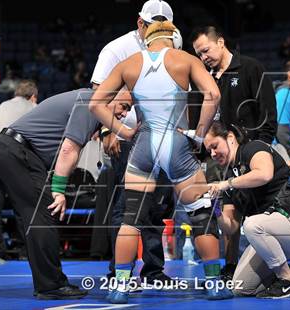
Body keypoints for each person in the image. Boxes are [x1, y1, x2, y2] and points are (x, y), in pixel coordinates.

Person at [90, 21, 233, 303]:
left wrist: (124, 132)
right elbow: (213, 95)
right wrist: (199, 134)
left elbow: (95, 103)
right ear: (174, 39)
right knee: (201, 214)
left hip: (143, 144)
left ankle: (120, 287)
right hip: (177, 143)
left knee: (131, 219)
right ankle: (214, 283)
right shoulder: (186, 59)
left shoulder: (128, 63)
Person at [0, 87, 130, 299]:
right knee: (42, 216)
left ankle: (49, 282)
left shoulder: (89, 102)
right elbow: (68, 150)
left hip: (14, 151)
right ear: (112, 96)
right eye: (124, 106)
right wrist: (58, 190)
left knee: (35, 217)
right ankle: (50, 286)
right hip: (17, 152)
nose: (124, 114)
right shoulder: (90, 102)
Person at [90, 0, 175, 285]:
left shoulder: (170, 46)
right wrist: (107, 131)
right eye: (153, 25)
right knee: (127, 206)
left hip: (159, 136)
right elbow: (98, 93)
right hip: (127, 136)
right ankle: (119, 272)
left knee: (156, 206)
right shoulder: (116, 49)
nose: (158, 32)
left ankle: (153, 271)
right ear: (140, 22)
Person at [191, 25, 277, 279]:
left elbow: (268, 115)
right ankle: (230, 266)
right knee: (228, 212)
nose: (203, 57)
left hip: (252, 156)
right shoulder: (205, 79)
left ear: (221, 42)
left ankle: (276, 265)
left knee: (261, 215)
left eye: (205, 50)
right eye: (198, 54)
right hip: (220, 157)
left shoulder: (251, 68)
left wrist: (257, 151)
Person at [205, 121, 290, 298]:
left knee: (252, 224)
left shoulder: (253, 148)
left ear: (230, 137)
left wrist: (225, 184)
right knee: (241, 288)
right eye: (209, 151)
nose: (213, 154)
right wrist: (216, 211)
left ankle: (288, 281)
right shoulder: (229, 178)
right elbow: (232, 227)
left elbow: (264, 174)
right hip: (271, 232)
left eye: (215, 146)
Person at [0, 80, 38, 263]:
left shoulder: (3, 104)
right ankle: (24, 251)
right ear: (33, 96)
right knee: (21, 204)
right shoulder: (31, 107)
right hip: (6, 156)